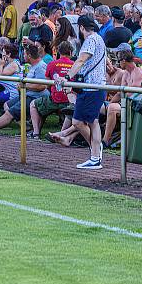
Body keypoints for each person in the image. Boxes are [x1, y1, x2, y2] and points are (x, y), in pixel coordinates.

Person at [54, 15, 108, 170]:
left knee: (78, 121)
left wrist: (66, 77)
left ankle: (95, 152)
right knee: (93, 121)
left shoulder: (91, 39)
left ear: (82, 27)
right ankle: (95, 154)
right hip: (94, 86)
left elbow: (81, 60)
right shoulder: (98, 38)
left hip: (91, 87)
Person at [0, 44, 48, 135]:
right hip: (25, 94)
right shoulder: (31, 66)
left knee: (9, 113)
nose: (23, 56)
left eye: (24, 54)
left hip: (33, 97)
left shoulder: (40, 66)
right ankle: (27, 128)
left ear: (29, 56)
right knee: (6, 105)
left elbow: (42, 86)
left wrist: (25, 85)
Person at [101, 46, 142, 148]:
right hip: (127, 104)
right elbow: (120, 93)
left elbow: (131, 94)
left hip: (138, 106)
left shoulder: (139, 73)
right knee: (103, 107)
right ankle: (90, 137)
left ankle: (105, 141)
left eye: (119, 61)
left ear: (124, 61)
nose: (118, 64)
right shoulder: (126, 73)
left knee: (113, 108)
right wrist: (110, 103)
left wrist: (113, 105)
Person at [30, 41, 75, 139]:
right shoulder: (75, 65)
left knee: (33, 104)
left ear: (58, 51)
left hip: (55, 99)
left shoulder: (51, 64)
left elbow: (47, 85)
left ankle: (36, 133)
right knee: (71, 111)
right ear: (71, 52)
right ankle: (62, 133)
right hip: (70, 101)